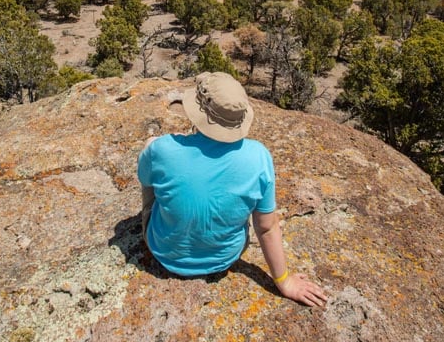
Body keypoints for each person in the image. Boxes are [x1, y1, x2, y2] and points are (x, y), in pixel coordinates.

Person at [137, 71, 327, 308]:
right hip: (226, 257)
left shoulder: (162, 150)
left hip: (164, 252)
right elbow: (266, 227)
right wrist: (284, 281)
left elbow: (146, 179)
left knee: (150, 148)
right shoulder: (258, 156)